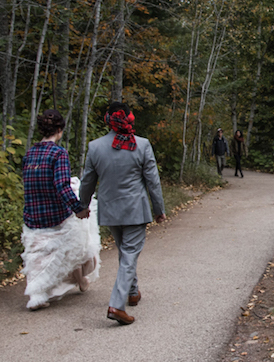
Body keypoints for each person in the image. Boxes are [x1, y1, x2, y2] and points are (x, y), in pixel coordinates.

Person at [79, 102, 166, 325]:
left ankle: (133, 292)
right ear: (130, 118)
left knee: (125, 252)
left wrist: (82, 205)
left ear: (108, 120)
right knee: (128, 254)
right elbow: (152, 181)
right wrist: (159, 210)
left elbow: (88, 180)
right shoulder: (143, 145)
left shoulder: (95, 146)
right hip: (135, 210)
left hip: (110, 210)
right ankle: (117, 305)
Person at [20, 109, 99, 311]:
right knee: (76, 244)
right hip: (56, 214)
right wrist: (78, 209)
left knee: (36, 254)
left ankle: (38, 294)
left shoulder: (30, 153)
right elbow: (62, 185)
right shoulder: (58, 153)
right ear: (59, 130)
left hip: (33, 214)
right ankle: (80, 280)